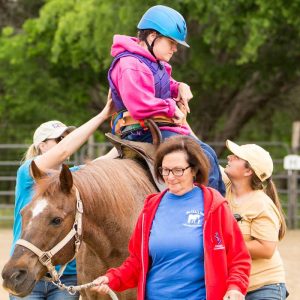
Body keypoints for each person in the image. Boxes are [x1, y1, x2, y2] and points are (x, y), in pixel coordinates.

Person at [91, 135, 251, 300]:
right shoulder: (151, 207)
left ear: (194, 169)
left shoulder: (214, 205)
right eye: (165, 170)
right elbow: (137, 262)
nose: (170, 177)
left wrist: (235, 288)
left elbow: (238, 258)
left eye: (178, 170)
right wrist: (112, 278)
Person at [107, 4, 225, 195]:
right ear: (153, 37)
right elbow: (140, 106)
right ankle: (212, 214)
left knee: (209, 153)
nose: (175, 49)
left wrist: (179, 87)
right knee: (202, 157)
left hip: (156, 127)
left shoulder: (150, 62)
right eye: (171, 42)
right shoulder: (131, 64)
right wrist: (172, 108)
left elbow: (163, 85)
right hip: (141, 130)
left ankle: (218, 210)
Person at [9, 93, 114, 300]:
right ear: (42, 145)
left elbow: (103, 162)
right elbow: (65, 151)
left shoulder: (71, 177)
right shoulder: (29, 172)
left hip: (66, 276)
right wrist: (103, 114)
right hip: (27, 270)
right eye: (58, 139)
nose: (65, 142)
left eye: (67, 137)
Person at [223, 140, 288, 300]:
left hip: (263, 286)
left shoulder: (262, 204)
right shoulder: (226, 185)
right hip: (234, 286)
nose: (230, 157)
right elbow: (204, 157)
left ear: (248, 172)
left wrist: (223, 243)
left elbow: (266, 249)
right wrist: (183, 124)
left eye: (237, 157)